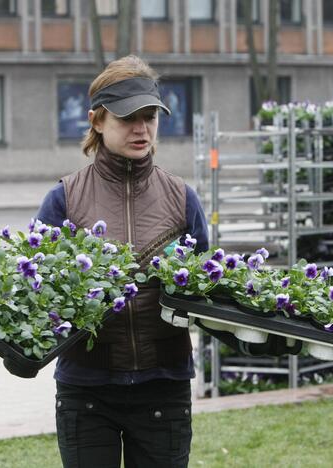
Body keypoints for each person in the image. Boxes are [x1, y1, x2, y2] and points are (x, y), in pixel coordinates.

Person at [36, 55, 208, 467]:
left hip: (163, 386)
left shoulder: (182, 198)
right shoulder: (64, 198)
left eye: (150, 116)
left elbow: (204, 290)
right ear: (97, 122)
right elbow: (36, 291)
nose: (142, 128)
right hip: (87, 390)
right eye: (129, 117)